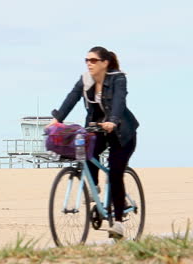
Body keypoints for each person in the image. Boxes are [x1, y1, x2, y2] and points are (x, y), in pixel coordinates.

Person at [48, 46, 139, 238]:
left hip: (122, 133)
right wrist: (57, 120)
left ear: (105, 63)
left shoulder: (117, 78)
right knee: (85, 151)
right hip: (97, 129)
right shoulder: (85, 80)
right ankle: (94, 187)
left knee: (115, 173)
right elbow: (71, 99)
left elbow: (119, 101)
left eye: (93, 60)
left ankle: (119, 223)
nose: (89, 63)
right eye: (86, 60)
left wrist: (113, 121)